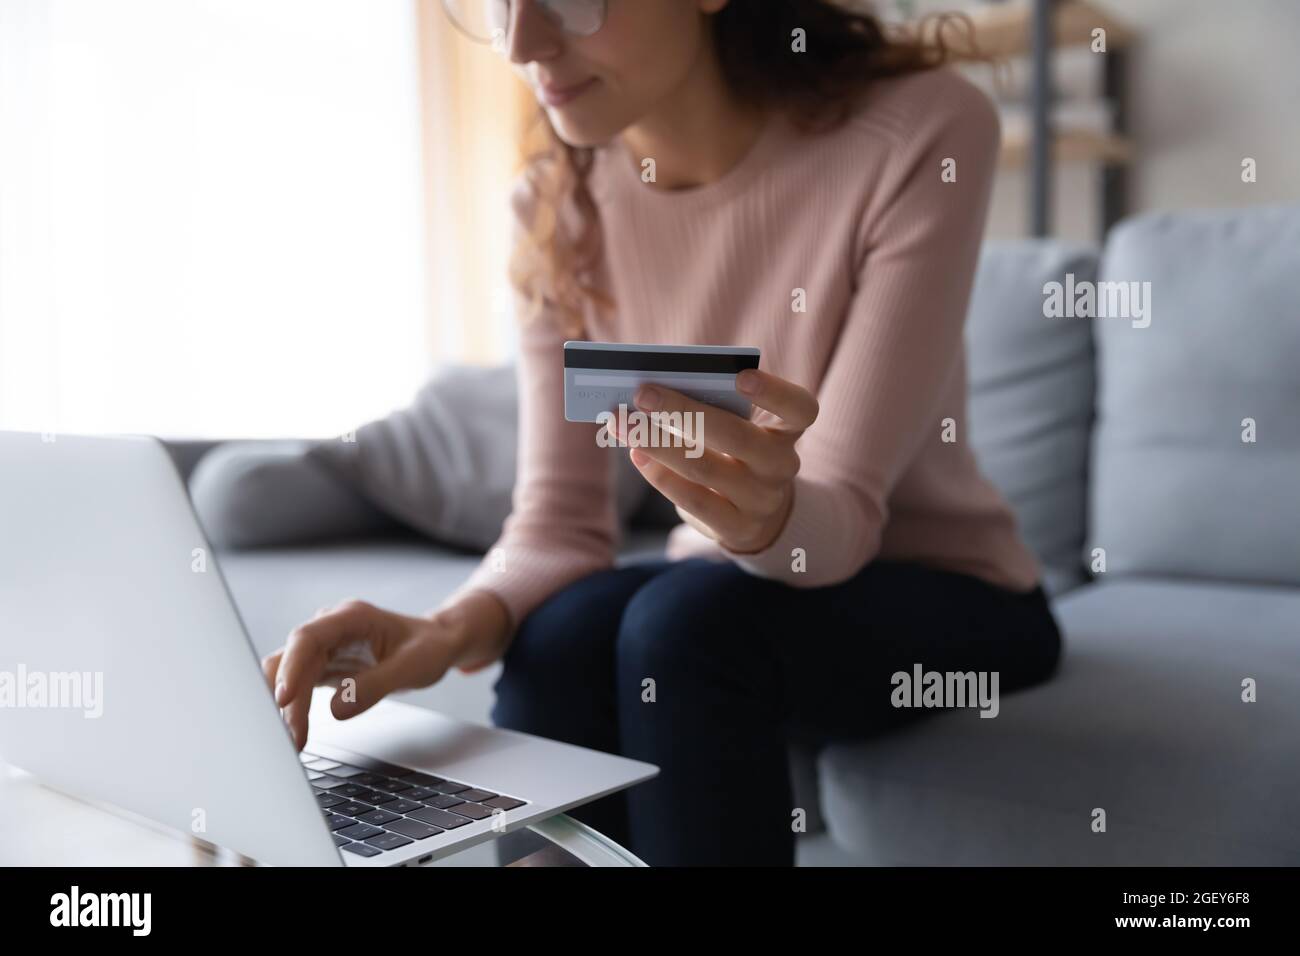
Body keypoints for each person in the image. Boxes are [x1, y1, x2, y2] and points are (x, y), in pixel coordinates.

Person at [264, 0, 1062, 866]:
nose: (521, 43)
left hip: (949, 590)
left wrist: (762, 519)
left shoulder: (921, 129)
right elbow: (558, 527)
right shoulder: (556, 204)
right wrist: (448, 629)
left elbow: (841, 517)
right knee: (560, 632)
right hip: (728, 580)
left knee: (686, 626)